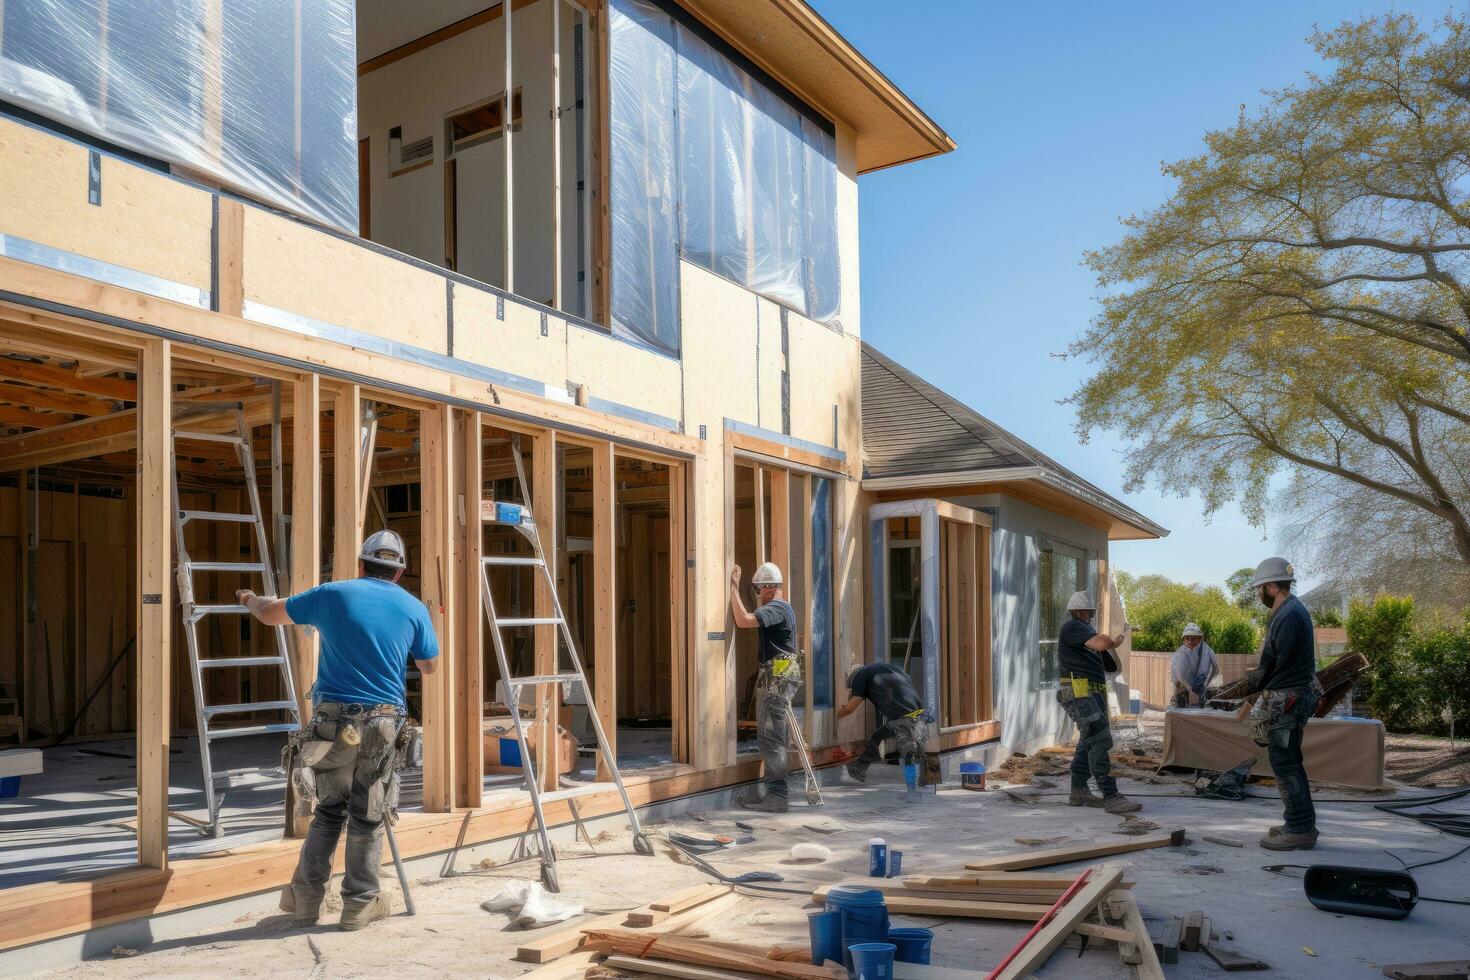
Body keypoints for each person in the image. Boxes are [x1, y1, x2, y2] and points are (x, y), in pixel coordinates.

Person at [237, 529, 439, 929]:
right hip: (383, 722)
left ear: (361, 565)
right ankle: (359, 904)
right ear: (398, 573)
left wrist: (248, 598)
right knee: (368, 814)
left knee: (330, 811)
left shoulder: (332, 594)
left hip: (333, 721)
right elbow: (429, 667)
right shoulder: (413, 607)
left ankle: (307, 902)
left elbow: (268, 613)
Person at [1237, 557, 1320, 851]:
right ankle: (1298, 822)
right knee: (1289, 761)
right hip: (1293, 695)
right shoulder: (1291, 610)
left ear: (1272, 587)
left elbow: (1271, 664)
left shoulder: (1287, 615)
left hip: (1289, 698)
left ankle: (1299, 828)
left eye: (1261, 587)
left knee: (1285, 763)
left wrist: (1246, 691)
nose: (1259, 593)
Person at [1056, 591, 1141, 814]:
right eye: (1088, 612)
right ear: (1078, 612)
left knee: (1088, 740)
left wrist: (1109, 645)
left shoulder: (1087, 636)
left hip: (1090, 693)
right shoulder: (1073, 627)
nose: (1090, 616)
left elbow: (1111, 666)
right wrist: (1111, 641)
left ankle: (1079, 791)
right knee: (1100, 739)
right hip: (1079, 692)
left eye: (1091, 612)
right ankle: (1111, 796)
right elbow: (1103, 642)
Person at [728, 561, 800, 812]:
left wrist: (733, 590)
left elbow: (744, 620)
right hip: (783, 672)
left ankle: (778, 797)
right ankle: (774, 793)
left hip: (778, 674)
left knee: (772, 738)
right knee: (774, 735)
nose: (758, 594)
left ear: (769, 587)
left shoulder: (776, 608)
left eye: (759, 589)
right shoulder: (783, 608)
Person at [836, 662, 926, 783]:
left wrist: (836, 715)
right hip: (919, 712)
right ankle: (925, 776)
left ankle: (858, 768)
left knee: (882, 741)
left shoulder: (860, 676)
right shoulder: (888, 668)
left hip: (903, 717)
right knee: (906, 744)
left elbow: (851, 707)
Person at [1170, 623, 1219, 708]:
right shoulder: (1180, 653)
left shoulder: (1207, 651)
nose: (1190, 641)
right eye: (1187, 639)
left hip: (1200, 690)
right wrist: (1189, 691)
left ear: (1200, 638)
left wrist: (1206, 684)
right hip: (1183, 692)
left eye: (1193, 639)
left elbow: (1216, 669)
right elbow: (1179, 675)